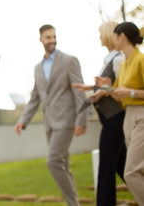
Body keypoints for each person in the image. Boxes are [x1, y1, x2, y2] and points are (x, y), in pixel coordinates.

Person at [14, 24, 87, 206]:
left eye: (54, 36)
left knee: (52, 162)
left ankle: (74, 204)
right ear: (41, 39)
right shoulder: (38, 68)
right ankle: (73, 203)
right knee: (64, 165)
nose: (52, 40)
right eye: (48, 37)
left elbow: (79, 93)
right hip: (49, 124)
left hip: (66, 121)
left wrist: (81, 120)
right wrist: (23, 121)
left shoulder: (70, 61)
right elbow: (35, 98)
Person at [73, 21, 126, 206]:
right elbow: (109, 85)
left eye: (100, 33)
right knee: (124, 167)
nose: (98, 36)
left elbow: (120, 89)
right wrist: (91, 87)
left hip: (115, 119)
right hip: (109, 119)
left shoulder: (118, 59)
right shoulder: (110, 58)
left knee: (106, 168)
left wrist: (102, 91)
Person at [95, 22, 144, 205]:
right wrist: (106, 87)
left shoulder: (141, 60)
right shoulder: (123, 65)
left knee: (130, 172)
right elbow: (117, 95)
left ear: (121, 37)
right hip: (128, 119)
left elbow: (128, 92)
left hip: (141, 116)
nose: (112, 39)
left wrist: (130, 92)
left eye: (115, 36)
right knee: (138, 170)